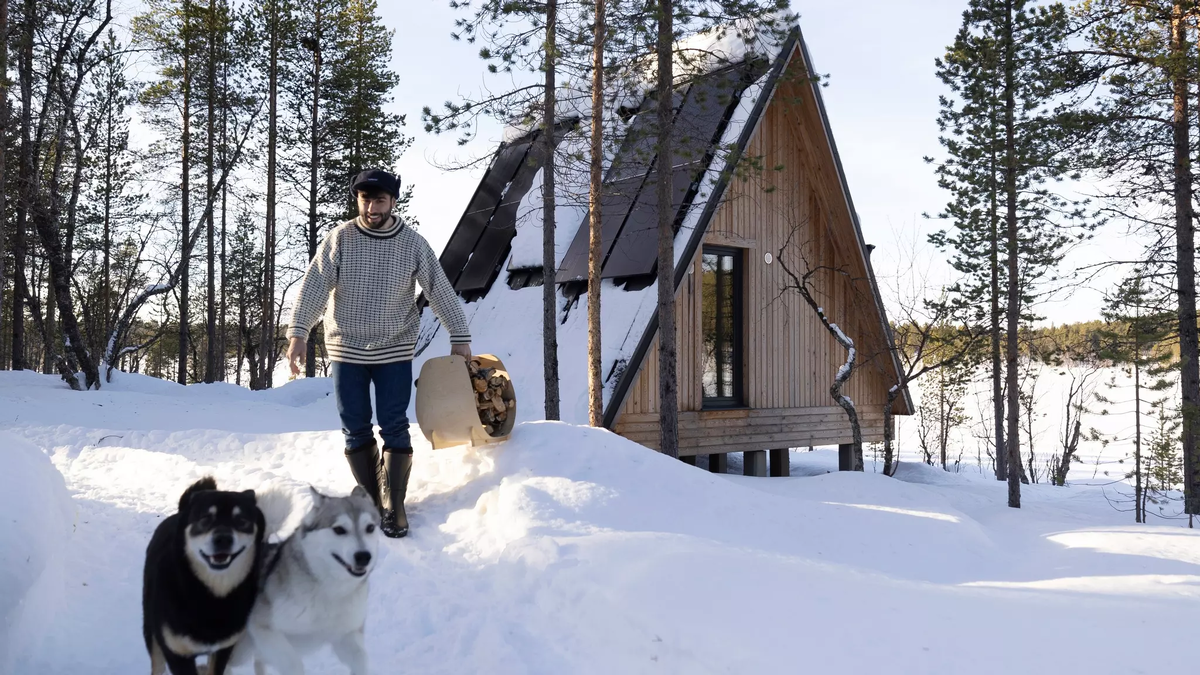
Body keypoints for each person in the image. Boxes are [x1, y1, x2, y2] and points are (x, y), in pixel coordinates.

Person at [286, 169, 472, 538]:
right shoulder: (340, 239)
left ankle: (395, 504)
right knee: (354, 425)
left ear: (393, 202)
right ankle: (372, 499)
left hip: (394, 347)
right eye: (365, 199)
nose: (371, 207)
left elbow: (439, 289)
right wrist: (298, 333)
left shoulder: (413, 244)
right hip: (346, 346)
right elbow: (314, 286)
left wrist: (460, 334)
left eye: (379, 200)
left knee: (394, 423)